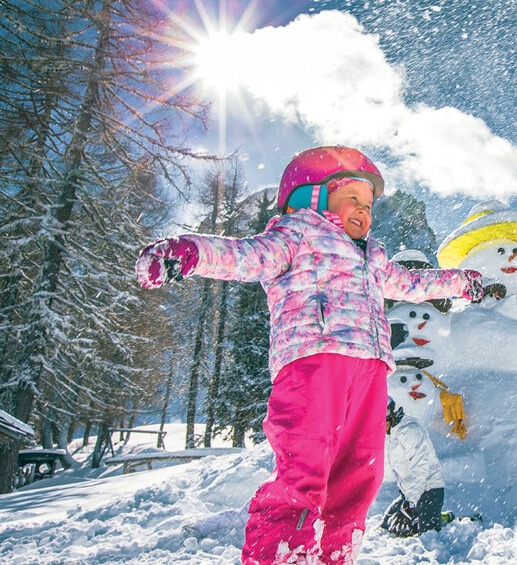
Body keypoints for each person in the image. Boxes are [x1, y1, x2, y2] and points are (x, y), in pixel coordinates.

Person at [135, 146, 483, 565]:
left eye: (368, 204)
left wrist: (461, 282)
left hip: (370, 372)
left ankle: (336, 555)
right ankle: (281, 555)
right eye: (351, 197)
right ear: (313, 197)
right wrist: (191, 252)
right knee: (305, 471)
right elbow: (247, 256)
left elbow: (412, 284)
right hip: (313, 362)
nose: (363, 211)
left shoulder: (373, 258)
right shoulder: (296, 234)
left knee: (360, 477)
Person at [381, 397, 446, 537]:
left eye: (381, 423)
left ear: (391, 416)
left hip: (429, 490)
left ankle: (447, 519)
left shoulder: (410, 431)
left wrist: (410, 506)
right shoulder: (390, 433)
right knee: (387, 528)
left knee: (426, 534)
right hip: (408, 493)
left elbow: (420, 470)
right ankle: (426, 516)